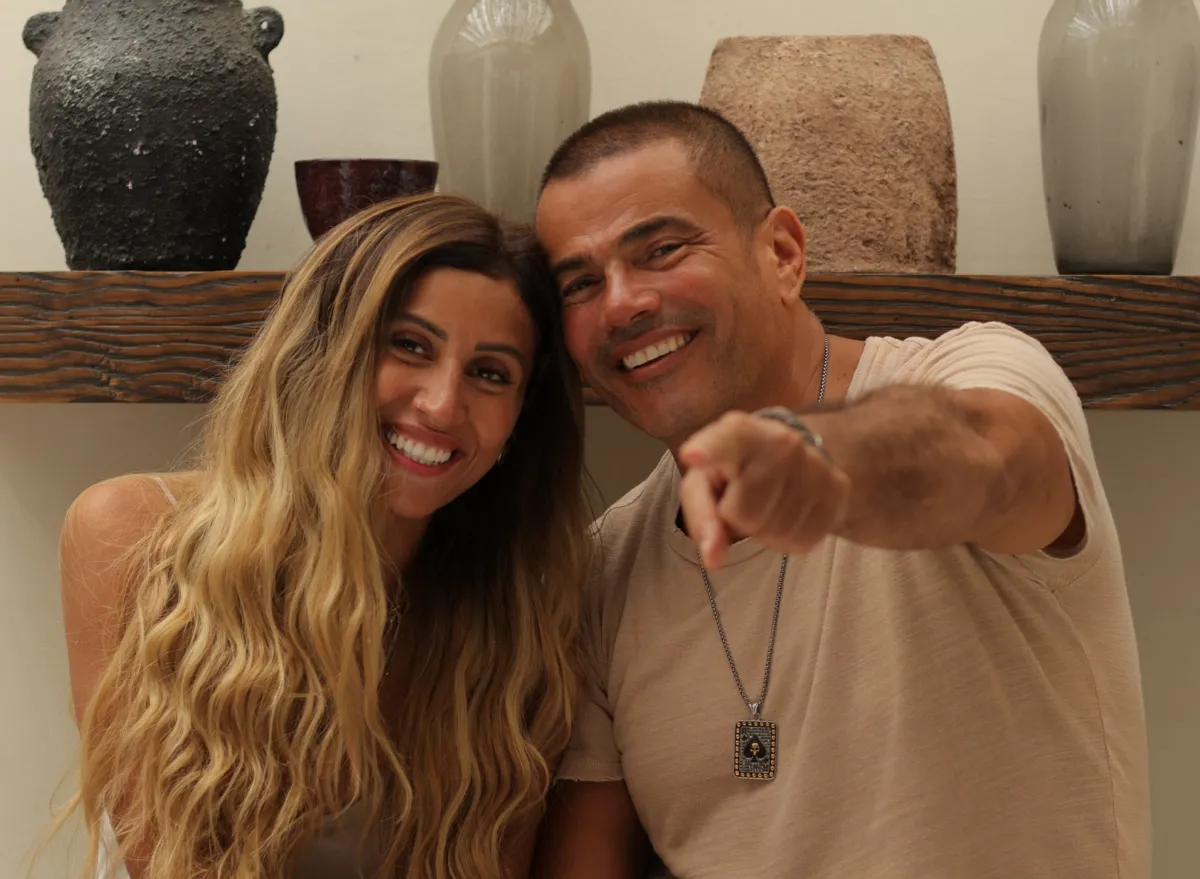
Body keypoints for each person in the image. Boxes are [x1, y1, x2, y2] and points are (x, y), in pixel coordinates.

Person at [529, 101, 1150, 879]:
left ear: (782, 253)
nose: (622, 302)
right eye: (580, 283)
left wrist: (824, 454)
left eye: (661, 249)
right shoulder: (606, 565)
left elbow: (987, 462)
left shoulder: (980, 370)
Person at [56, 193, 591, 879]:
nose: (441, 404)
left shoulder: (522, 619)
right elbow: (164, 862)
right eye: (409, 345)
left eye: (490, 373)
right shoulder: (130, 530)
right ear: (323, 352)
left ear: (521, 415)